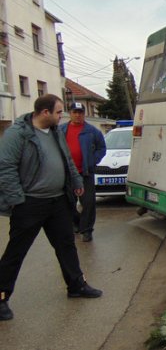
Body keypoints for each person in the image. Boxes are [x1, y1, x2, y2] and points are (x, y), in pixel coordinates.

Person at [0, 94, 102, 322]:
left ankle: (76, 285)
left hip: (57, 201)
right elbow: (5, 168)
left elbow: (66, 160)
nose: (61, 116)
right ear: (45, 112)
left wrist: (76, 182)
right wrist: (18, 199)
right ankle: (1, 297)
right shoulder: (18, 134)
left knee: (66, 245)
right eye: (58, 112)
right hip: (30, 203)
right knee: (17, 251)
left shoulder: (56, 132)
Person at [60, 102, 106, 242]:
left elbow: (101, 148)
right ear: (70, 113)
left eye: (80, 112)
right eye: (75, 112)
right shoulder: (61, 130)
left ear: (84, 114)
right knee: (68, 202)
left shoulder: (92, 131)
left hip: (85, 172)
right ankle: (76, 223)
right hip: (67, 174)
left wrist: (92, 161)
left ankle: (86, 230)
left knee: (88, 203)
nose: (78, 115)